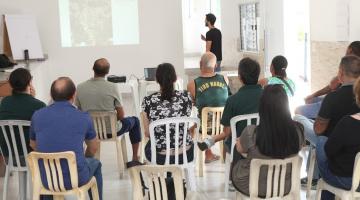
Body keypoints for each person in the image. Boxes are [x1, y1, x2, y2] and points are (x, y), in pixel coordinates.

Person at [29, 77, 102, 200]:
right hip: (76, 178)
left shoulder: (37, 115)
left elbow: (33, 145)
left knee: (48, 171)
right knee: (96, 164)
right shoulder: (83, 117)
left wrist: (52, 158)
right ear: (74, 95)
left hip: (46, 179)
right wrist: (84, 158)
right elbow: (93, 148)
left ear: (51, 95)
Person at [295, 55, 360, 186]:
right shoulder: (354, 98)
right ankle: (313, 176)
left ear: (341, 73)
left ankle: (314, 178)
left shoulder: (333, 98)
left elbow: (319, 130)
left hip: (336, 151)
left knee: (305, 125)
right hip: (354, 153)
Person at [231, 84, 305, 196]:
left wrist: (240, 142)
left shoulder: (251, 132)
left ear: (262, 106)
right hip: (286, 186)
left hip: (251, 186)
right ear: (286, 104)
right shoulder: (298, 130)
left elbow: (240, 149)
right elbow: (300, 147)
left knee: (237, 150)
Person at [75, 58, 141, 166]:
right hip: (111, 131)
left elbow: (79, 113)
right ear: (107, 72)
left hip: (90, 131)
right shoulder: (113, 87)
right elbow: (121, 115)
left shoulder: (80, 87)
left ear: (93, 69)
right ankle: (134, 158)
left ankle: (86, 162)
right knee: (135, 121)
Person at [197, 57, 263, 162]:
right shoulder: (268, 97)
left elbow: (227, 132)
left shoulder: (232, 100)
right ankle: (210, 142)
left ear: (240, 77)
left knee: (227, 136)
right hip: (263, 145)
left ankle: (227, 168)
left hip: (240, 147)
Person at [316, 76, 360, 200]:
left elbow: (329, 150)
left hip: (347, 180)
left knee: (321, 141)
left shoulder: (348, 122)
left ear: (357, 96)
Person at [141, 63, 193, 164]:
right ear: (175, 78)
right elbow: (186, 119)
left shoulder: (148, 100)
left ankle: (165, 178)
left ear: (156, 79)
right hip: (185, 154)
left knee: (148, 147)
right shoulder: (186, 97)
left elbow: (148, 133)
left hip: (160, 156)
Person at [296, 41, 360, 119]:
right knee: (313, 100)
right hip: (348, 106)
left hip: (337, 102)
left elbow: (331, 86)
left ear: (350, 51)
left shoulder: (347, 69)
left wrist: (313, 95)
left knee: (298, 110)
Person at [187, 52, 229, 163]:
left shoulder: (192, 84)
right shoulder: (225, 79)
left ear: (200, 64)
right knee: (206, 117)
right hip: (224, 126)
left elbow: (191, 104)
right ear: (215, 66)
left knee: (198, 122)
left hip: (206, 127)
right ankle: (211, 154)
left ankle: (204, 153)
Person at [0, 68, 46, 164]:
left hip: (8, 156)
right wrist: (33, 98)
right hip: (30, 156)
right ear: (29, 83)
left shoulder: (4, 102)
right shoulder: (39, 105)